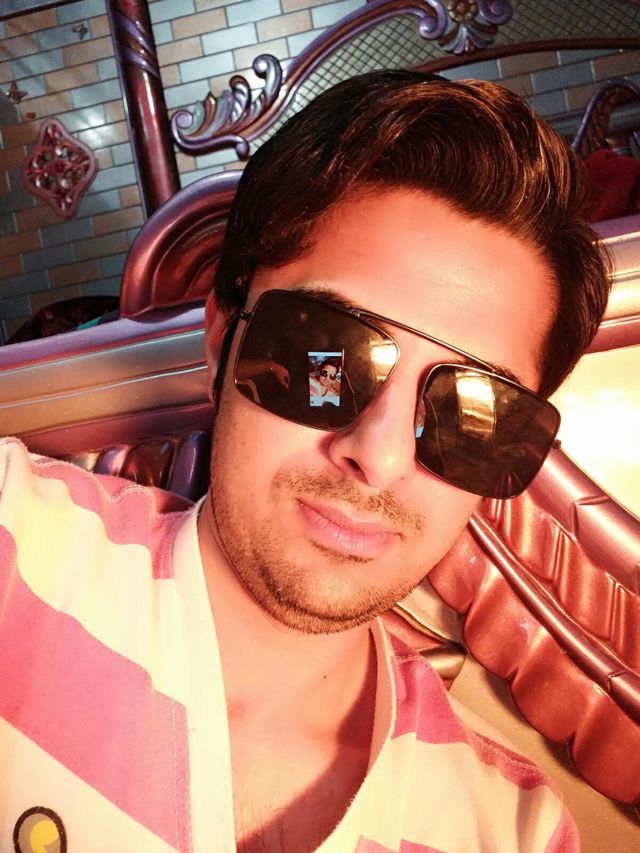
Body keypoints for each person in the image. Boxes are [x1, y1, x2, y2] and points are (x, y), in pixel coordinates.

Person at [0, 71, 610, 852]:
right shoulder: (19, 541)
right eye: (328, 356)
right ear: (222, 337)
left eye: (472, 414)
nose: (377, 455)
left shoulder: (511, 835)